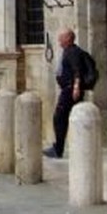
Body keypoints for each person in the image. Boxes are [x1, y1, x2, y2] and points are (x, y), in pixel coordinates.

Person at [44, 28, 86, 158]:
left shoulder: (72, 52)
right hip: (69, 88)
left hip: (70, 90)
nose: (59, 41)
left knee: (59, 118)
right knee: (68, 117)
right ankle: (64, 146)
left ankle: (58, 149)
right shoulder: (69, 51)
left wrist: (76, 87)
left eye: (61, 38)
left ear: (68, 39)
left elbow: (77, 71)